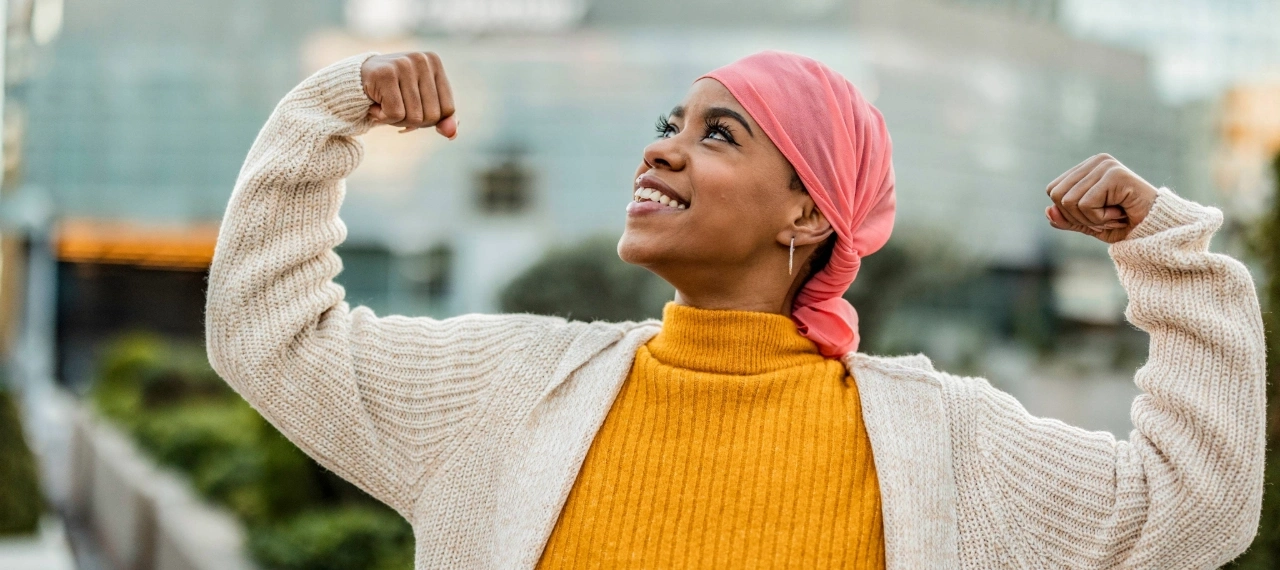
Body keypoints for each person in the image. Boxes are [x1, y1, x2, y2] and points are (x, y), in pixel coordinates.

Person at [205, 50, 1265, 569]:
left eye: (719, 135)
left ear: (808, 212)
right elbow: (270, 335)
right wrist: (326, 115)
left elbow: (1196, 507)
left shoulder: (942, 443)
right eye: (671, 122)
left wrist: (1168, 256)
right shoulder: (507, 391)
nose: (661, 145)